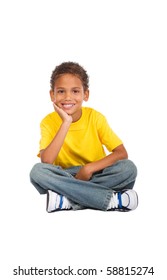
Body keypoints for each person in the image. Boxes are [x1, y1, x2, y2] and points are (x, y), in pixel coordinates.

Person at [30, 61, 138, 213]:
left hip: (96, 173)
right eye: (61, 91)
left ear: (85, 94)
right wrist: (66, 123)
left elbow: (121, 153)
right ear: (52, 95)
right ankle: (109, 200)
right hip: (64, 175)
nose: (68, 97)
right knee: (38, 172)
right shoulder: (48, 122)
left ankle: (66, 199)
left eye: (75, 91)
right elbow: (46, 161)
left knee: (128, 168)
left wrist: (89, 168)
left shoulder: (95, 117)